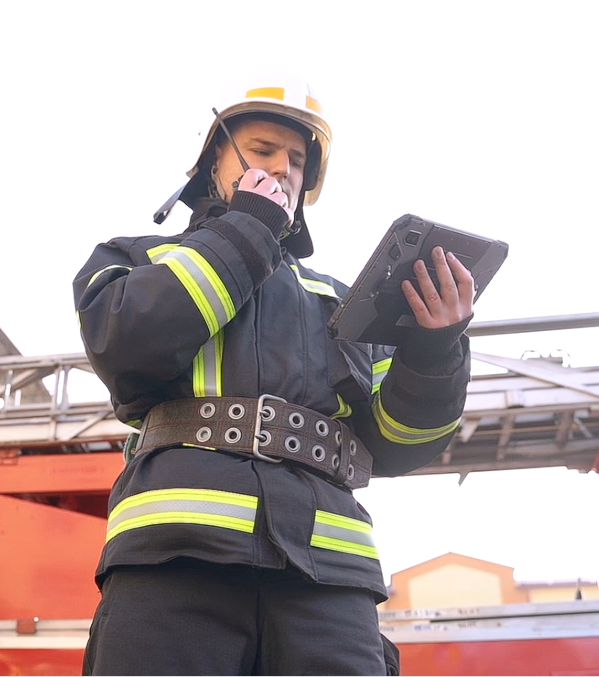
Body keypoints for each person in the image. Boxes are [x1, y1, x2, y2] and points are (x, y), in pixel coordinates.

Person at [71, 76, 474, 676]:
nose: (283, 168)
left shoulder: (349, 303)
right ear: (213, 161)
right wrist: (248, 229)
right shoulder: (137, 259)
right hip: (174, 560)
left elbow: (399, 443)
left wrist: (434, 348)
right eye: (262, 150)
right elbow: (127, 345)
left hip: (331, 579)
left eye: (297, 160)